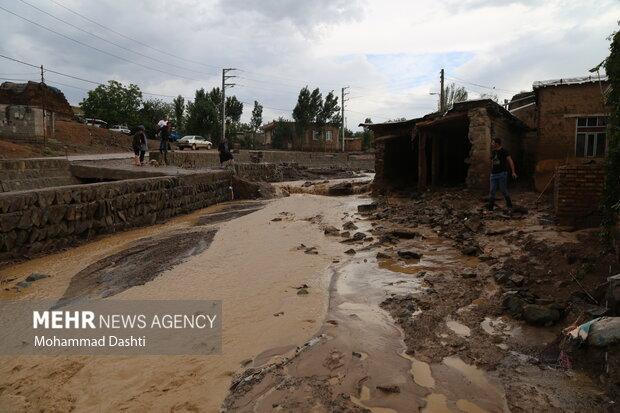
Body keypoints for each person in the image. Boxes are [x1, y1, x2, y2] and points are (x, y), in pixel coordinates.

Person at [488, 137, 517, 211]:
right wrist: (491, 171)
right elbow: (492, 162)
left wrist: (513, 172)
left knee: (503, 189)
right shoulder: (493, 152)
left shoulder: (504, 151)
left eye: (493, 143)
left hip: (502, 174)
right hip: (493, 174)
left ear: (497, 144)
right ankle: (490, 208)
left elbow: (510, 161)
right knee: (492, 190)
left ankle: (509, 204)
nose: (491, 144)